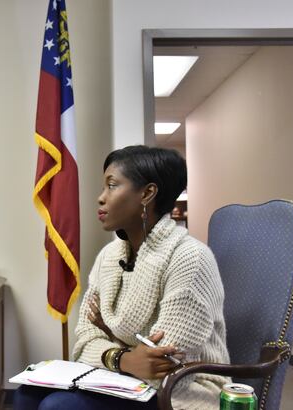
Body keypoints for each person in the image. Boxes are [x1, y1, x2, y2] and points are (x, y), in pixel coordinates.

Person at [14, 145, 230, 410]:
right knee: (25, 395)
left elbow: (160, 364)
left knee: (59, 406)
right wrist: (124, 358)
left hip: (182, 389)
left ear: (147, 194)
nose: (101, 198)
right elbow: (83, 342)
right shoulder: (109, 256)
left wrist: (109, 334)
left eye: (112, 185)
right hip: (120, 377)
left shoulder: (190, 258)